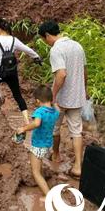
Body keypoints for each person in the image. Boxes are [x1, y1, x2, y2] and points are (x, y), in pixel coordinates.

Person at [38, 20, 87, 177]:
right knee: (76, 131)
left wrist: (52, 95)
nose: (45, 43)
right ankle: (78, 166)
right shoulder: (77, 46)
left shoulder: (56, 50)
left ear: (47, 35)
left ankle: (56, 155)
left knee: (55, 128)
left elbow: (61, 74)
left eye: (43, 40)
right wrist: (84, 90)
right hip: (77, 96)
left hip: (61, 98)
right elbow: (85, 71)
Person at [0, 18, 42, 124]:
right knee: (18, 96)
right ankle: (26, 120)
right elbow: (26, 49)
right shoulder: (13, 39)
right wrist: (36, 57)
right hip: (12, 72)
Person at [16, 85, 60, 200]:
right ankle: (42, 182)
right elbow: (58, 110)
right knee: (39, 165)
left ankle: (48, 195)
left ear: (37, 101)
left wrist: (23, 129)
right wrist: (53, 103)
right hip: (47, 145)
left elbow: (36, 124)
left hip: (38, 146)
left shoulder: (40, 111)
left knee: (35, 172)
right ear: (51, 99)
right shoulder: (55, 112)